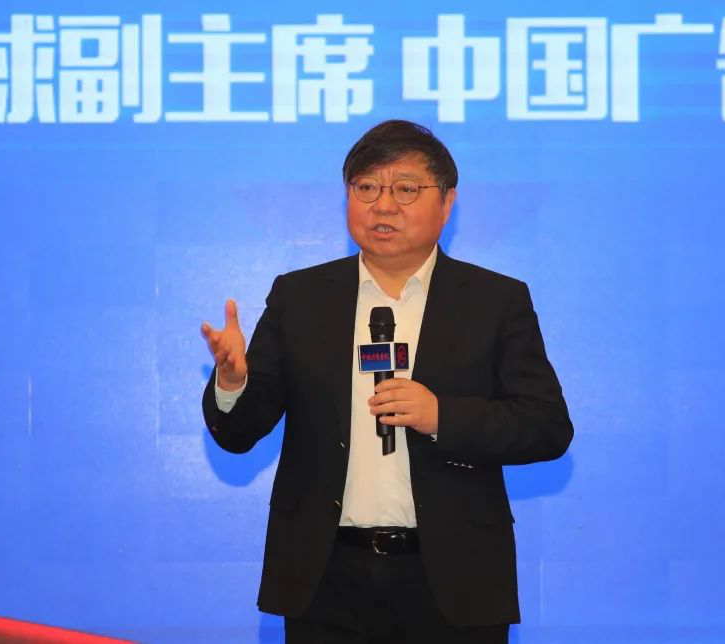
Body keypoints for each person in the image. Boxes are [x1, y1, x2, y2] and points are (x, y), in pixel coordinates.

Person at [200, 119, 572, 644]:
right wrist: (232, 382)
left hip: (454, 580)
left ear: (447, 202)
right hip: (326, 580)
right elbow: (239, 434)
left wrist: (442, 416)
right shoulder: (300, 298)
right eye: (367, 187)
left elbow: (547, 427)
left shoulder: (495, 301)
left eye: (406, 189)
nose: (383, 205)